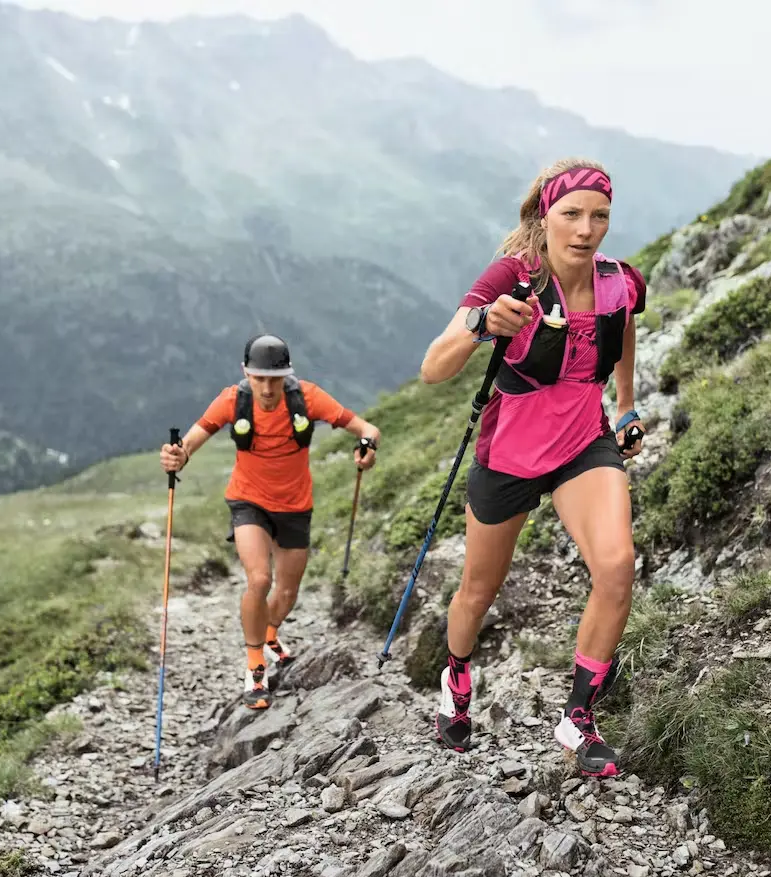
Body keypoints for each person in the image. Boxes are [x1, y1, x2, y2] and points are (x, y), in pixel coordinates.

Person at [417, 158, 647, 776]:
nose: (585, 229)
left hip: (582, 443)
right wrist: (479, 323)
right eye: (572, 214)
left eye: (599, 216)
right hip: (511, 450)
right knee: (478, 591)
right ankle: (457, 678)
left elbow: (622, 329)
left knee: (617, 565)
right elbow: (433, 368)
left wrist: (624, 408)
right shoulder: (513, 278)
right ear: (545, 216)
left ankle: (577, 722)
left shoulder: (619, 281)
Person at [161, 334, 381, 709]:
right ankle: (254, 665)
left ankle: (270, 633)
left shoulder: (307, 397)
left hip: (296, 506)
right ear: (245, 373)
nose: (265, 388)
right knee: (260, 579)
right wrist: (177, 457)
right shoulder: (234, 399)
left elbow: (367, 429)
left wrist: (367, 450)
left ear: (287, 376)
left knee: (288, 593)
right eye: (258, 378)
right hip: (248, 501)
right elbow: (191, 442)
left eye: (274, 379)